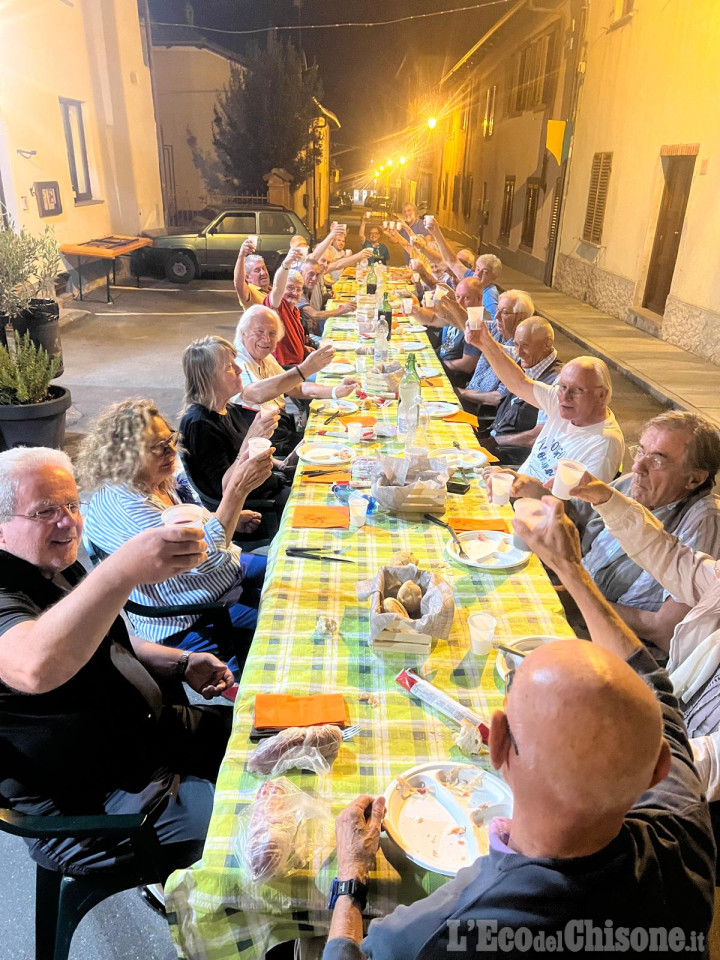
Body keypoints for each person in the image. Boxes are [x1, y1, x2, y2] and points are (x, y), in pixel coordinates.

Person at [323, 498, 715, 960]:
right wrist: (570, 567)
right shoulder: (687, 837)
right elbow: (651, 685)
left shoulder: (434, 933)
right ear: (659, 769)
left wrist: (350, 880)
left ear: (498, 743)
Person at [0, 446, 235, 881]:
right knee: (253, 835)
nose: (68, 521)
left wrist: (181, 662)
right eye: (45, 511)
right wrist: (122, 570)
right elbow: (33, 666)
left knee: (268, 737)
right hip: (92, 804)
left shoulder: (52, 563)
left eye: (72, 504)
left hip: (144, 734)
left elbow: (109, 642)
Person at [79, 399, 273, 676]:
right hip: (191, 613)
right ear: (125, 456)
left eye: (169, 438)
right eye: (157, 447)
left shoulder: (154, 478)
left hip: (222, 574)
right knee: (286, 621)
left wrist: (226, 516)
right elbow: (205, 560)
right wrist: (238, 492)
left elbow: (192, 517)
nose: (171, 450)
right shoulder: (130, 508)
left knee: (293, 571)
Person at [568, 467, 720, 800]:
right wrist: (607, 499)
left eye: (659, 459)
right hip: (662, 733)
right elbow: (675, 560)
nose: (641, 466)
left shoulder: (704, 516)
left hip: (681, 801)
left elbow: (707, 766)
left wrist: (604, 755)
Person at [568, 412, 720, 654]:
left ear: (693, 479)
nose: (637, 467)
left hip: (619, 644)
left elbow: (665, 630)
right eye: (640, 450)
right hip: (576, 601)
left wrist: (578, 600)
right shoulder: (633, 483)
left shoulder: (703, 523)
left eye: (658, 460)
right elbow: (574, 516)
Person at [467, 321, 624, 483]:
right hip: (517, 483)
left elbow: (577, 505)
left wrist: (517, 482)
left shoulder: (604, 444)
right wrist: (485, 343)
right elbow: (518, 383)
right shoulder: (563, 403)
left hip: (536, 503)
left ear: (601, 396)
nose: (565, 396)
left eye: (578, 390)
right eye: (562, 386)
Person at [179, 336, 293, 513]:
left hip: (271, 484)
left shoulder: (227, 407)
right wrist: (251, 438)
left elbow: (246, 455)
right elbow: (224, 489)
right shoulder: (199, 425)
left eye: (235, 363)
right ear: (209, 378)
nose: (239, 369)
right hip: (255, 508)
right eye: (229, 367)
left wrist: (283, 463)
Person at [232, 306, 359, 434]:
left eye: (272, 333)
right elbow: (254, 394)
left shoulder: (265, 357)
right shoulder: (237, 362)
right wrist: (304, 370)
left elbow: (297, 388)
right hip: (263, 440)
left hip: (281, 426)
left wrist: (336, 391)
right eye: (259, 332)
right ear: (243, 332)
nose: (266, 339)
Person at [478, 317, 562, 464]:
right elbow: (497, 350)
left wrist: (495, 441)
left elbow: (535, 437)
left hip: (508, 455)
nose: (518, 352)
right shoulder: (529, 359)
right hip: (492, 437)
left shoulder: (557, 382)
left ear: (547, 344)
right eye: (516, 345)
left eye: (525, 346)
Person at [456, 289, 535, 410]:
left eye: (504, 312)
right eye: (497, 310)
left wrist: (462, 393)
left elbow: (498, 398)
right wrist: (468, 324)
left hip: (479, 408)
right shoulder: (495, 329)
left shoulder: (523, 354)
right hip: (467, 394)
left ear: (521, 317)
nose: (497, 316)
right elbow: (470, 323)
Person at [265, 248, 308, 367]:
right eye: (290, 287)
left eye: (299, 289)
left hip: (298, 364)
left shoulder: (294, 310)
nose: (295, 292)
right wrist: (286, 264)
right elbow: (278, 288)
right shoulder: (276, 306)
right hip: (285, 369)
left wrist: (304, 349)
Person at [298, 258, 354, 336]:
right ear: (301, 273)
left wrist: (327, 296)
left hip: (313, 329)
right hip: (306, 336)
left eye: (317, 275)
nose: (314, 278)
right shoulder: (296, 291)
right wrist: (343, 310)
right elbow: (315, 315)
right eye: (311, 274)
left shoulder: (308, 287)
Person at [233, 241, 270, 310]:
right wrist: (242, 255)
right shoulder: (250, 293)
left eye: (264, 268)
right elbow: (238, 283)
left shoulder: (273, 290)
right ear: (247, 277)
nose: (263, 273)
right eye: (257, 270)